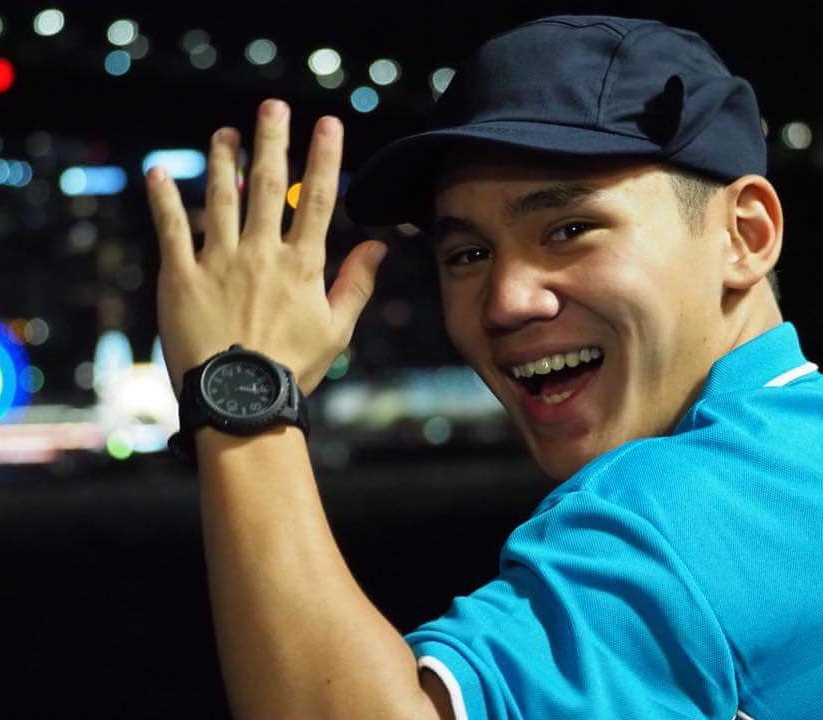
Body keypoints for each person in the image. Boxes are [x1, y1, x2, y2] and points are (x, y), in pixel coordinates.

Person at [145, 13, 822, 720]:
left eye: (568, 230)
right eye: (467, 255)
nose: (505, 301)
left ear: (746, 236)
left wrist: (244, 400)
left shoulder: (679, 512)